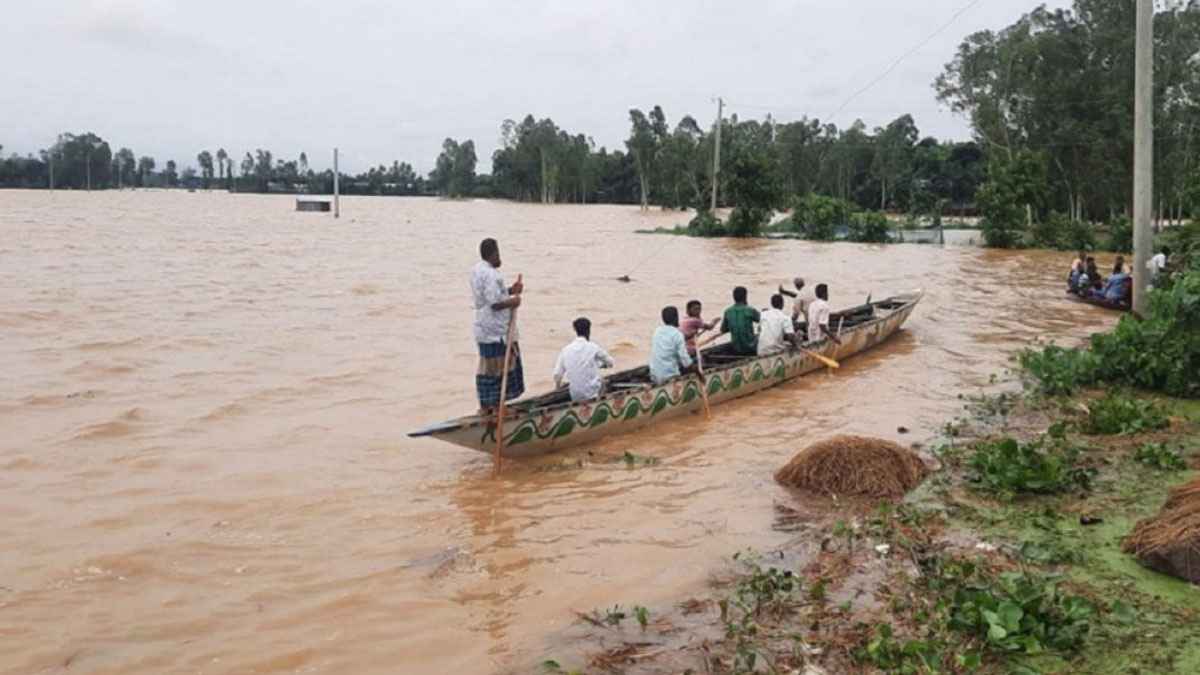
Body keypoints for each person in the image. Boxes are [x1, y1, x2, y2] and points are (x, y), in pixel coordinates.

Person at [470, 238, 524, 414]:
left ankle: (487, 406)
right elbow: (494, 303)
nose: (500, 257)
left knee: (488, 367)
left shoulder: (477, 270)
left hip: (484, 327)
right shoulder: (492, 274)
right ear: (493, 254)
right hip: (495, 330)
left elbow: (492, 296)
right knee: (499, 368)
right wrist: (513, 302)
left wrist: (510, 290)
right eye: (498, 254)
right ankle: (496, 408)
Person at [553, 317, 614, 402]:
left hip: (575, 396)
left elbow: (557, 374)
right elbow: (611, 362)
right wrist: (603, 365)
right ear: (589, 330)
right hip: (592, 394)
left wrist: (557, 388)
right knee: (604, 382)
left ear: (575, 330)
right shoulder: (593, 347)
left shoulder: (566, 350)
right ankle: (599, 403)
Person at [649, 306, 693, 385]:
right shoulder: (677, 334)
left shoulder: (657, 331)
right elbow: (686, 361)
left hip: (654, 375)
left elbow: (669, 344)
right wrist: (698, 373)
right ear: (676, 317)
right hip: (669, 376)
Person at [720, 286, 761, 356]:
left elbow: (723, 330)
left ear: (733, 297)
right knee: (760, 335)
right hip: (750, 348)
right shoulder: (750, 310)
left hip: (736, 348)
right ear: (745, 297)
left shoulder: (727, 311)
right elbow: (763, 321)